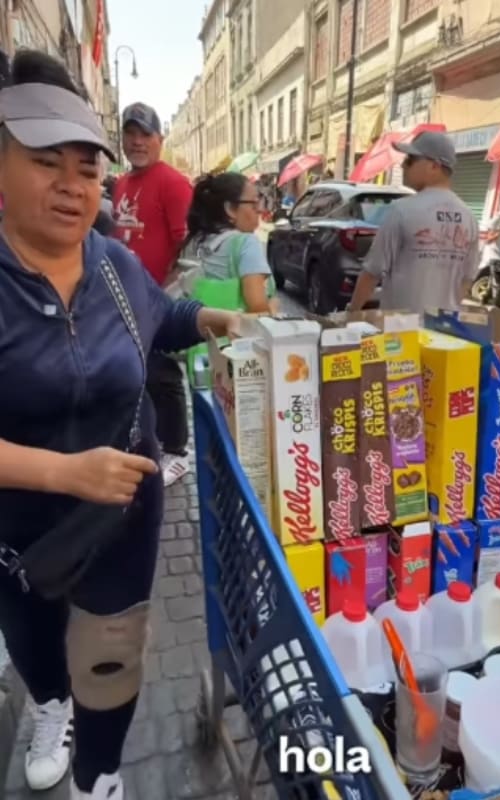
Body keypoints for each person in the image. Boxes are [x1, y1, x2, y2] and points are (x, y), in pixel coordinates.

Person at [0, 50, 240, 800]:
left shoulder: (110, 262)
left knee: (111, 651)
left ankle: (99, 775)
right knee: (36, 637)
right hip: (21, 520)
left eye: (88, 168)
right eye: (45, 162)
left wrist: (209, 318)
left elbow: (157, 318)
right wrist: (62, 472)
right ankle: (48, 705)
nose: (72, 186)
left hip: (124, 511)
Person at [113, 102, 195, 487]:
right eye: (130, 134)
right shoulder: (123, 184)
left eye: (145, 134)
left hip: (157, 297)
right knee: (141, 374)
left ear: (160, 139)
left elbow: (188, 244)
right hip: (125, 296)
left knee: (164, 374)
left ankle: (177, 451)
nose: (137, 141)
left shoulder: (173, 183)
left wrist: (165, 293)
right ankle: (150, 438)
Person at [348, 131, 480, 313]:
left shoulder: (402, 210)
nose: (403, 165)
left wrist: (352, 313)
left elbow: (371, 274)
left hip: (401, 333)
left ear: (434, 166)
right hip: (445, 333)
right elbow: (467, 278)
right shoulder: (469, 217)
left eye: (411, 159)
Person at [180, 172, 275, 313]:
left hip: (193, 332)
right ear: (230, 209)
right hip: (235, 333)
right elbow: (258, 311)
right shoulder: (246, 243)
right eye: (254, 203)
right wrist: (273, 306)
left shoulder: (192, 242)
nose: (260, 210)